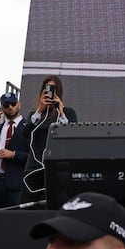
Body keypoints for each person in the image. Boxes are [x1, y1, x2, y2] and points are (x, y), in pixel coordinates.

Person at [19, 75, 78, 204]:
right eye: (48, 89)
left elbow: (73, 134)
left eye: (54, 89)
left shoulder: (68, 112)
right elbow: (25, 133)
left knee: (53, 202)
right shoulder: (35, 114)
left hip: (56, 165)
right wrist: (39, 110)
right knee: (29, 204)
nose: (50, 92)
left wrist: (61, 112)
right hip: (34, 166)